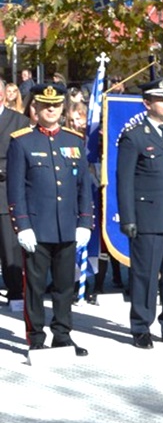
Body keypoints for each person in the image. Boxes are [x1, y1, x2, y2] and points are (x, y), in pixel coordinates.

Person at [5, 83, 92, 355]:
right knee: (35, 286)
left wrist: (85, 222)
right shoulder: (22, 141)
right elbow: (16, 189)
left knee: (65, 286)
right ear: (36, 107)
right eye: (45, 105)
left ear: (62, 108)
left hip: (66, 226)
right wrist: (22, 225)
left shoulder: (74, 140)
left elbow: (84, 187)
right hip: (37, 227)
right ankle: (36, 337)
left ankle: (62, 335)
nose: (51, 109)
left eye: (55, 105)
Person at [117, 79, 163, 349]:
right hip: (148, 217)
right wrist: (128, 218)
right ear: (147, 103)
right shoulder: (134, 136)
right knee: (145, 275)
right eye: (161, 100)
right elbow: (124, 180)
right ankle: (141, 327)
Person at [0, 96, 27, 311]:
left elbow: (23, 156)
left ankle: (15, 292)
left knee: (10, 247)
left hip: (5, 192)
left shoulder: (19, 121)